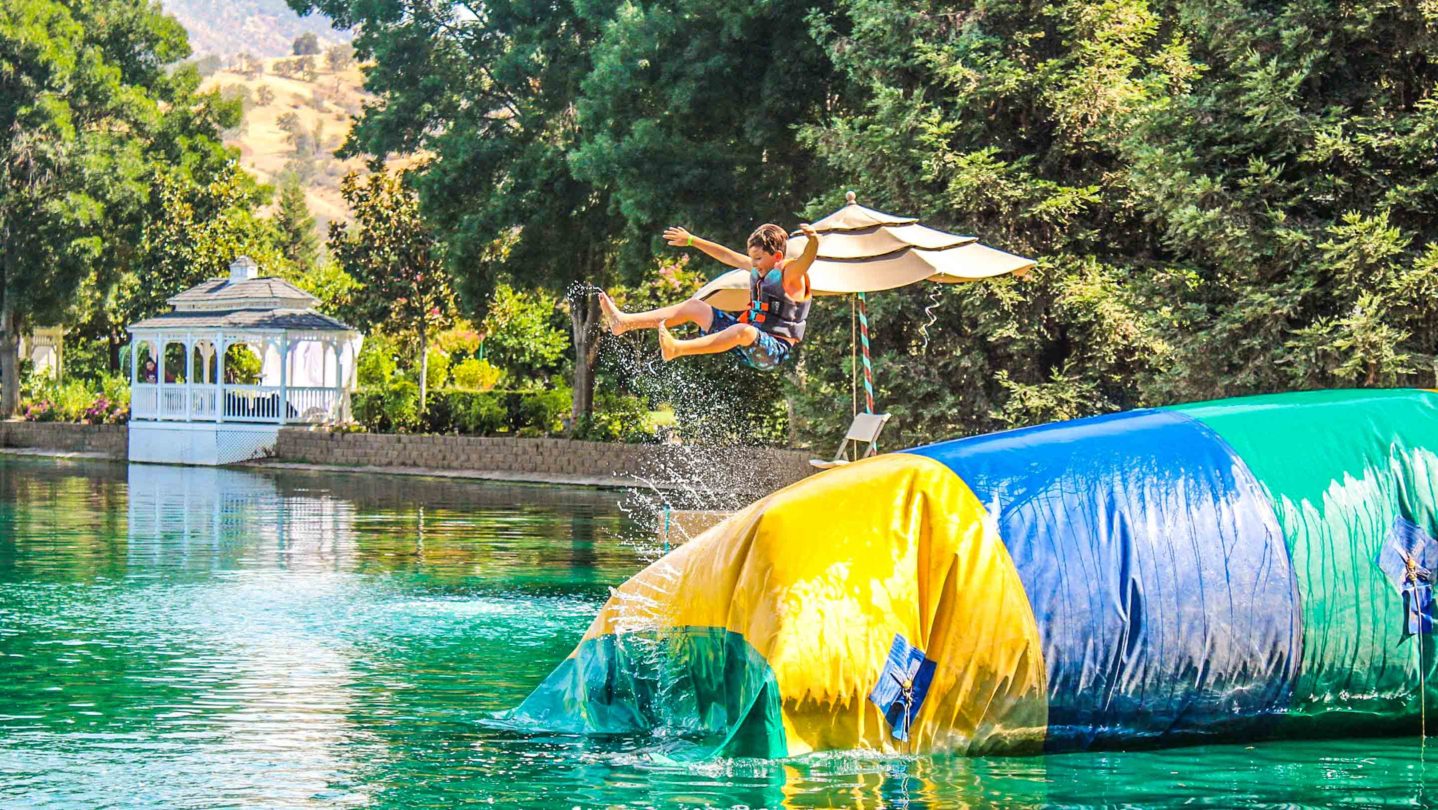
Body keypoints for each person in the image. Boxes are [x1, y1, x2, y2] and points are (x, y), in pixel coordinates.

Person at [599, 222, 820, 371]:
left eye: (758, 258)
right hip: (746, 344)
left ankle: (677, 348)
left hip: (772, 352)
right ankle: (624, 322)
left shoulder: (790, 275)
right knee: (695, 307)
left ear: (777, 256)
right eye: (751, 258)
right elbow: (726, 255)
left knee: (743, 330)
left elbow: (806, 260)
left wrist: (814, 242)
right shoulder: (758, 268)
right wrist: (692, 240)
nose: (753, 264)